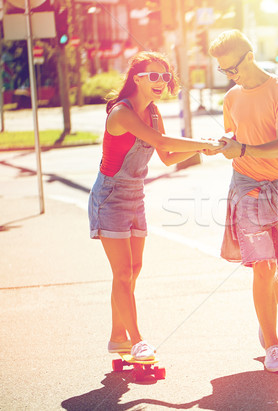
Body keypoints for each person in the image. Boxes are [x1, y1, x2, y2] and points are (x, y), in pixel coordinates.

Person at [88, 51, 221, 360]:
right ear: (138, 79)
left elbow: (168, 157)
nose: (161, 82)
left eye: (165, 76)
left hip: (135, 196)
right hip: (110, 196)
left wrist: (202, 150)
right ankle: (137, 341)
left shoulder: (154, 113)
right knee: (122, 273)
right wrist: (203, 143)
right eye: (154, 76)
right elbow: (161, 143)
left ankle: (117, 337)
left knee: (132, 270)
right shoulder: (121, 113)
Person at [208, 30, 278, 372]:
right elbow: (235, 137)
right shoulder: (232, 98)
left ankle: (264, 320)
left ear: (249, 57)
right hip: (247, 187)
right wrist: (226, 144)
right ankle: (273, 344)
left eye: (232, 69)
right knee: (263, 268)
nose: (229, 76)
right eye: (223, 71)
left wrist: (242, 148)